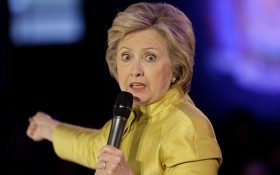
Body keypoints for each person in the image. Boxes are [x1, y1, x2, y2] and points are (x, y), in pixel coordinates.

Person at [26, 2, 223, 175]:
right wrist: (49, 128)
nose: (135, 71)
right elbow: (93, 146)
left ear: (176, 67)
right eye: (126, 57)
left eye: (150, 57)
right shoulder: (129, 117)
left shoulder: (188, 127)